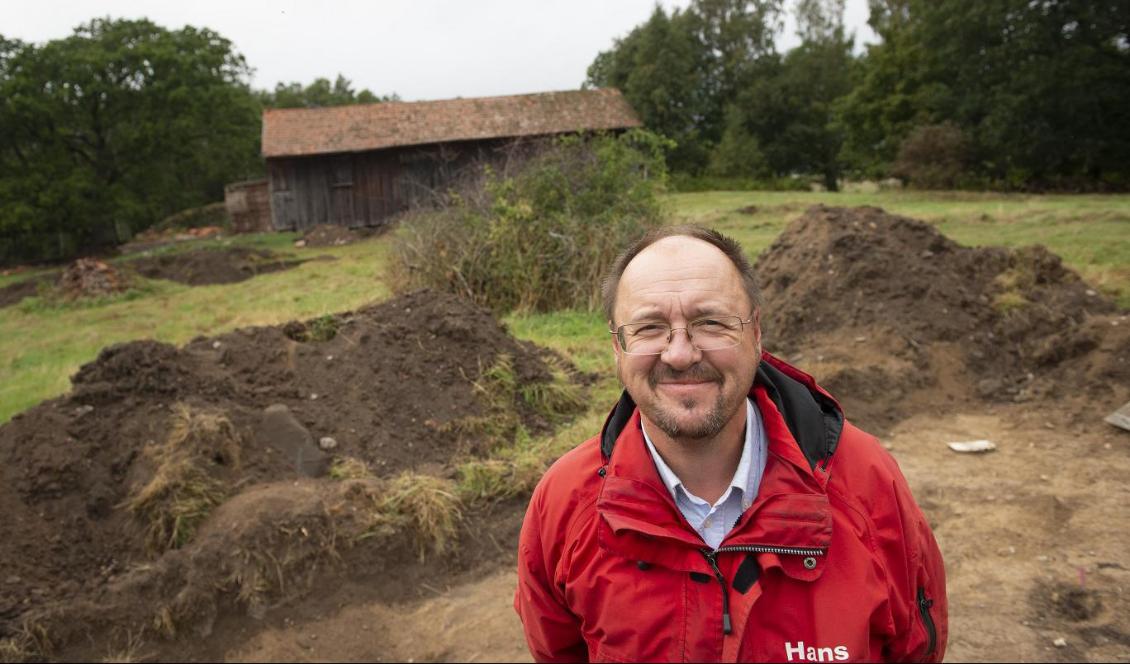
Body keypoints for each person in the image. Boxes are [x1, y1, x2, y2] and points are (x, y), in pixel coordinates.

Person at [514, 225, 947, 662]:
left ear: (756, 333)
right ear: (617, 346)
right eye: (649, 327)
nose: (680, 354)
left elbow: (916, 647)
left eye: (711, 323)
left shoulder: (865, 480)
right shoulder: (564, 501)